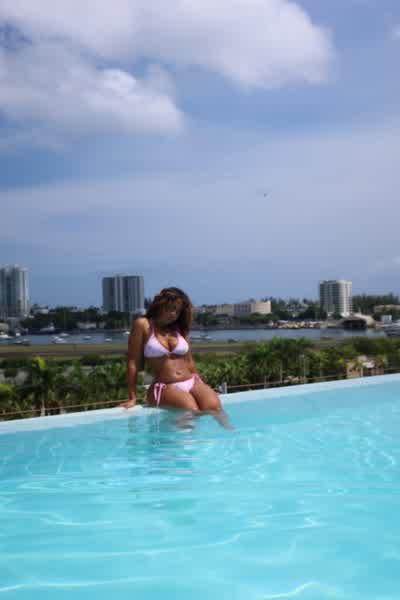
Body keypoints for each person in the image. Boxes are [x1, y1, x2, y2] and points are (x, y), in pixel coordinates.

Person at [120, 287, 232, 428]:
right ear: (161, 304)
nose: (174, 314)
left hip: (191, 381)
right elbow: (132, 361)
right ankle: (175, 437)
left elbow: (189, 361)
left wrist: (202, 386)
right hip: (165, 386)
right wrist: (132, 397)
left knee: (215, 407)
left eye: (178, 311)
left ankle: (231, 435)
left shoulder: (179, 329)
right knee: (191, 410)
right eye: (171, 308)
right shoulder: (143, 324)